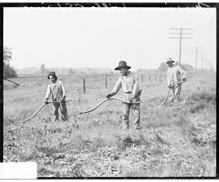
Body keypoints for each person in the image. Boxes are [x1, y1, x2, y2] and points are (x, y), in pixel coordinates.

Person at [106, 61, 141, 130]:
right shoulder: (121, 78)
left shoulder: (134, 76)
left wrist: (133, 96)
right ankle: (125, 130)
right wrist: (110, 94)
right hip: (125, 97)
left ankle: (137, 129)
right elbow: (116, 88)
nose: (120, 71)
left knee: (136, 114)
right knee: (125, 114)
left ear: (125, 68)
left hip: (134, 97)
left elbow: (136, 87)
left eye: (121, 69)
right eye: (119, 70)